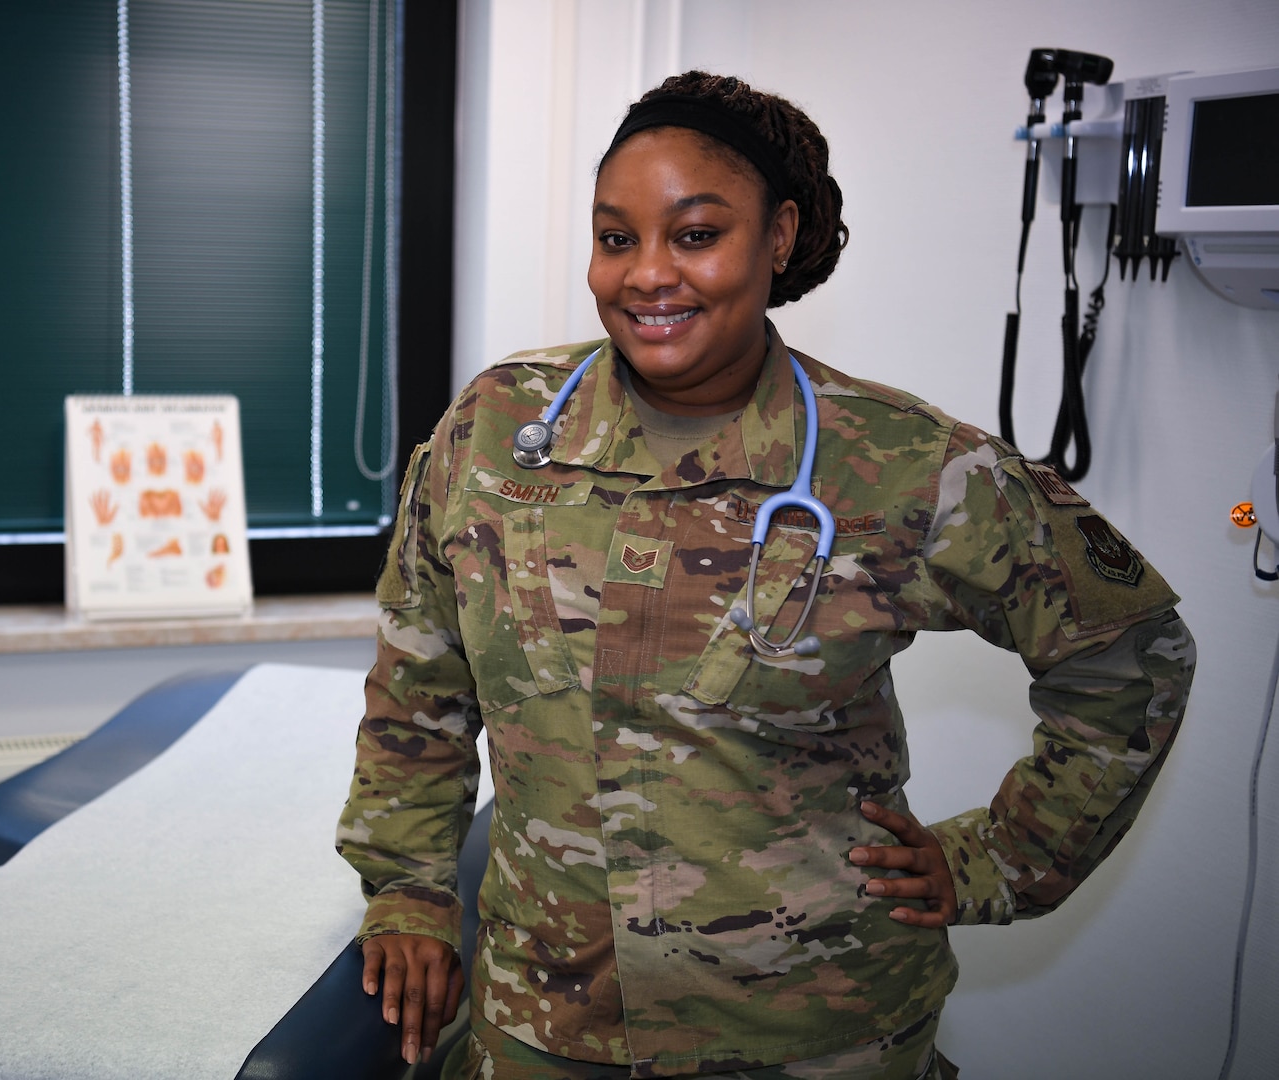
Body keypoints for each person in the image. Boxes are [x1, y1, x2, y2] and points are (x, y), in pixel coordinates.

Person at [336, 71, 1195, 1080]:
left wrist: (996, 858)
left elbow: (1131, 657)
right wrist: (407, 885)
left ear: (777, 238)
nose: (647, 274)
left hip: (812, 1034)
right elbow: (420, 679)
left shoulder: (906, 467)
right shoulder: (499, 434)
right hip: (546, 1020)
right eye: (616, 238)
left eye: (695, 234)